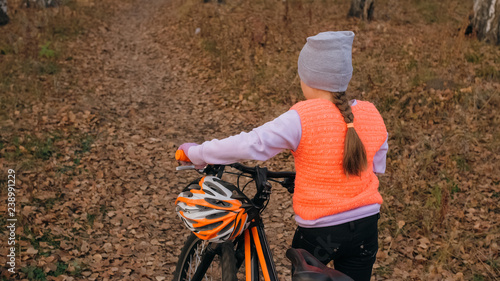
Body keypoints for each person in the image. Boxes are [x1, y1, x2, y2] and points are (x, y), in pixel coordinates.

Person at [177, 31, 388, 281]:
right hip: (366, 227)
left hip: (321, 232)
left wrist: (198, 153)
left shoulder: (302, 117)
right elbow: (375, 166)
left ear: (308, 77)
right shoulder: (370, 113)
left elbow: (252, 144)